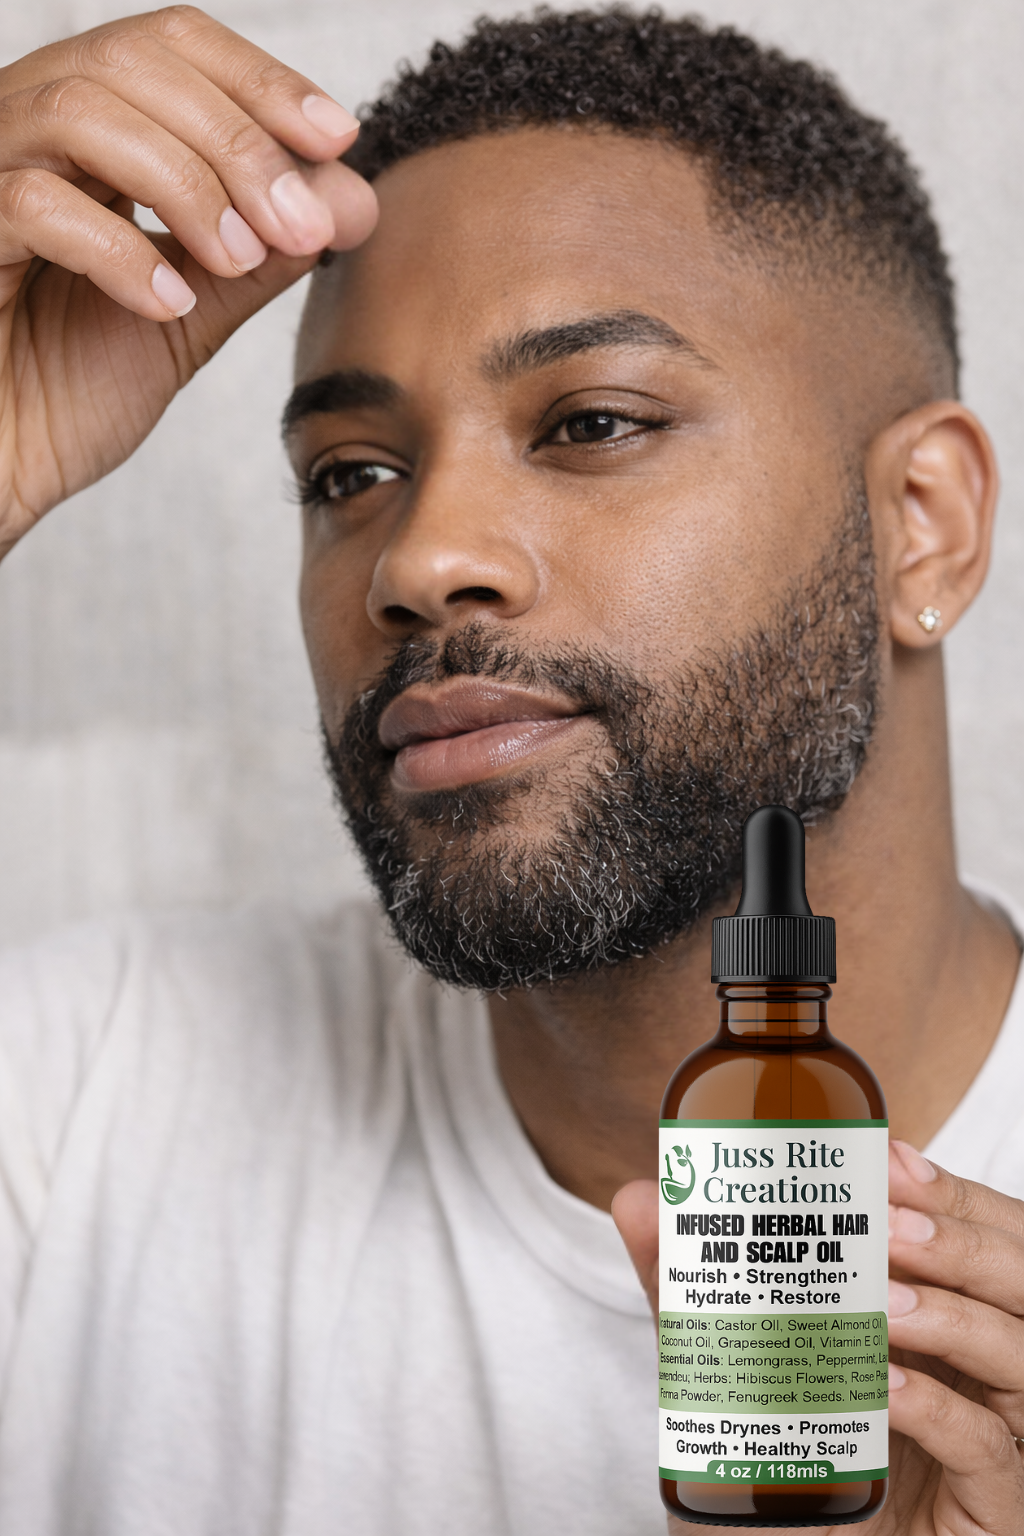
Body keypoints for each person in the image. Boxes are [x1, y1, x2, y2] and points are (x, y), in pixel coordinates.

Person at [0, 5, 1021, 1532]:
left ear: (921, 526)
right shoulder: (77, 1103)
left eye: (592, 421)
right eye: (350, 474)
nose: (419, 560)